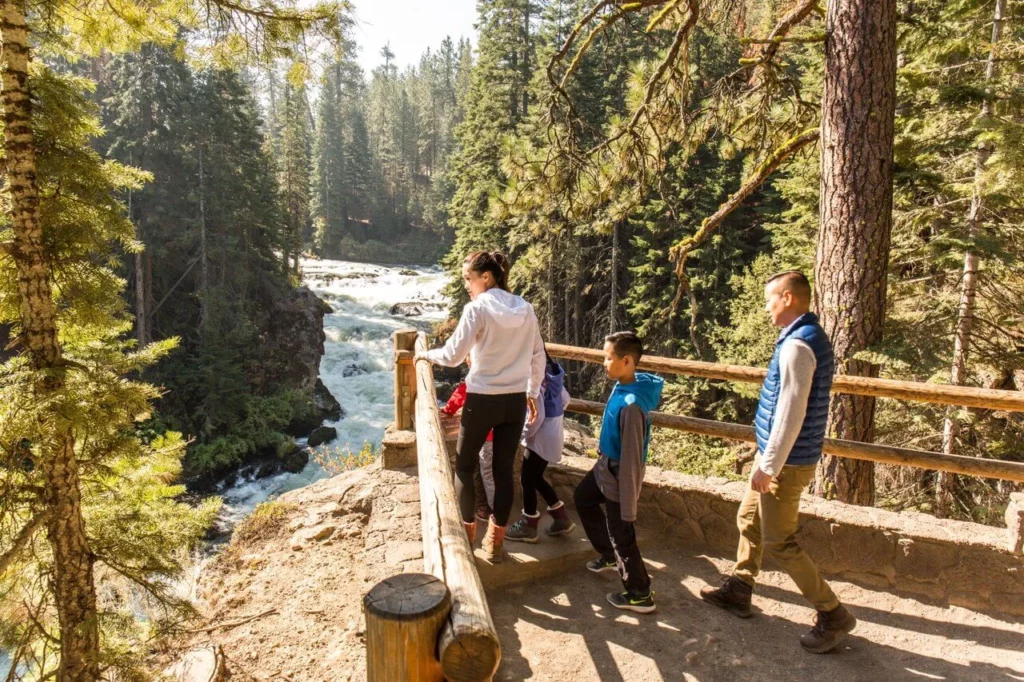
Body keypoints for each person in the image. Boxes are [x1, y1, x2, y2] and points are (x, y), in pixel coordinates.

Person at [700, 270, 857, 654]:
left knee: (780, 541)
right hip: (782, 456)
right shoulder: (805, 337)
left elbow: (791, 413)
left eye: (771, 298)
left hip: (785, 463)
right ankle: (740, 589)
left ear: (788, 298)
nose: (767, 306)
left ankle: (833, 614)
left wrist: (768, 465)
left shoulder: (797, 346)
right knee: (748, 520)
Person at [415, 251, 544, 562]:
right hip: (514, 401)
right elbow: (538, 355)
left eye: (468, 279)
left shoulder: (477, 309)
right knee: (502, 471)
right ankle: (496, 542)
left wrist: (426, 355)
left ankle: (466, 539)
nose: (467, 285)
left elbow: (454, 355)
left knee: (464, 466)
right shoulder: (525, 309)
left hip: (482, 398)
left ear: (486, 277)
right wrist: (531, 391)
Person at [575, 331, 663, 614]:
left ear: (626, 361)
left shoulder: (633, 406)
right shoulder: (623, 385)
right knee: (583, 498)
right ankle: (609, 556)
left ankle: (640, 594)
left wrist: (628, 501)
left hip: (617, 476)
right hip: (605, 467)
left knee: (622, 532)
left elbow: (633, 459)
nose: (603, 362)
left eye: (608, 357)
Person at [506, 354, 576, 543]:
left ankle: (529, 525)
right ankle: (561, 519)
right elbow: (565, 399)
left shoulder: (534, 381)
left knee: (526, 479)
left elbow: (536, 417)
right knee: (535, 477)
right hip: (553, 434)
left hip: (540, 439)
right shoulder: (552, 376)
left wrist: (521, 435)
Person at [441, 378, 495, 522]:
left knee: (487, 472)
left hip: (487, 436)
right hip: (502, 432)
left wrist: (447, 410)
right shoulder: (497, 378)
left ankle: (493, 510)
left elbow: (456, 400)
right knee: (497, 471)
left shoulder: (473, 382)